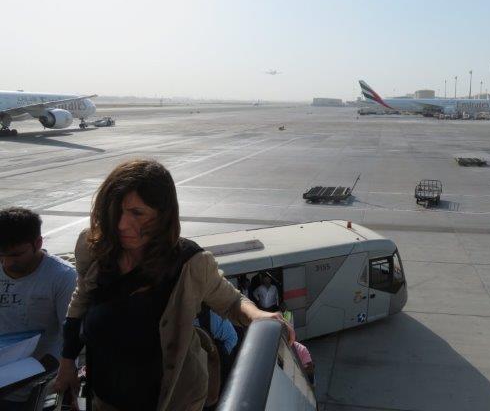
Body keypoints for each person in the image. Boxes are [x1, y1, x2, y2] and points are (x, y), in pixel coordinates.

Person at [53, 159, 293, 411]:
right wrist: (67, 362)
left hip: (173, 400)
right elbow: (80, 300)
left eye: (137, 213)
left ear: (163, 215)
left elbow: (232, 301)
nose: (121, 224)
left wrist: (258, 315)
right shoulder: (95, 247)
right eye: (116, 211)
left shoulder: (189, 263)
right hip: (104, 398)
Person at [0, 207, 77, 410]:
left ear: (38, 243)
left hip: (37, 386)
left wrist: (32, 374)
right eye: (1, 255)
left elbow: (70, 336)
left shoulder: (63, 277)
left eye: (16, 255)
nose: (7, 263)